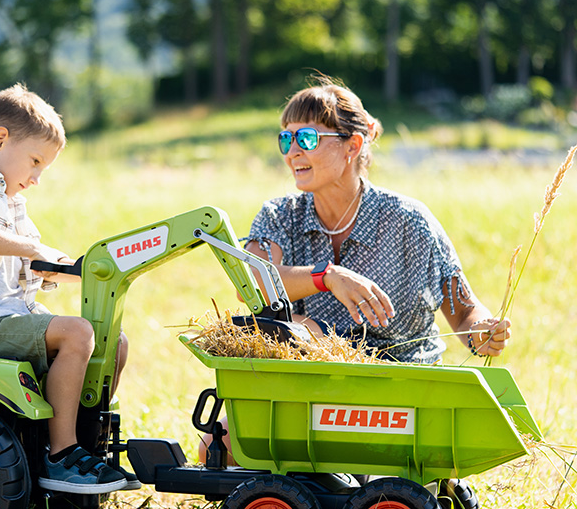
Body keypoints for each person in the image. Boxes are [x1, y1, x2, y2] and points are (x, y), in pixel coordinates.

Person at [199, 75, 510, 463]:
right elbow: (257, 283)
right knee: (218, 447)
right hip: (316, 386)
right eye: (285, 139)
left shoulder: (408, 220)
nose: (292, 151)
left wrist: (483, 332)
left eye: (307, 139)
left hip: (402, 391)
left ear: (353, 145)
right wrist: (327, 276)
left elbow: (463, 311)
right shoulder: (278, 216)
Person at [0, 83, 134, 494]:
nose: (35, 179)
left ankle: (87, 446)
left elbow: (35, 265)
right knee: (78, 333)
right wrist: (33, 248)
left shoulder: (11, 201)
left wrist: (87, 269)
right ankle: (61, 454)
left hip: (8, 322)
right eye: (35, 163)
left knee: (112, 341)